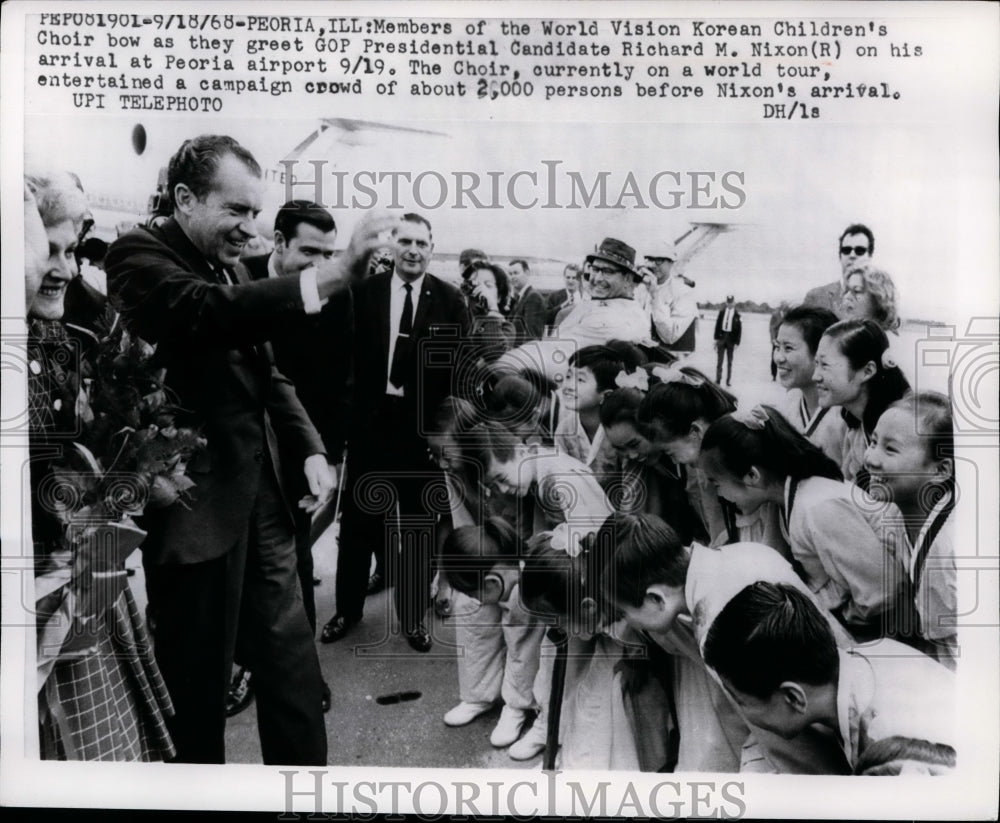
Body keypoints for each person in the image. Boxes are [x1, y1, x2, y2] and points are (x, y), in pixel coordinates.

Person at [107, 135, 388, 764]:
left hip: (265, 503)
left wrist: (311, 446)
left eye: (254, 213)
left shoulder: (229, 265)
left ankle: (304, 795)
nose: (248, 228)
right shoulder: (138, 255)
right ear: (184, 198)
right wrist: (336, 274)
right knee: (197, 689)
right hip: (197, 512)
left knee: (292, 671)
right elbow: (209, 313)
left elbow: (268, 377)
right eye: (235, 210)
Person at [28, 172, 175, 761]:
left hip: (79, 588)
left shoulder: (61, 339)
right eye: (45, 253)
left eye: (70, 249)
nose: (63, 269)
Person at [596, 513, 852, 773]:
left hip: (829, 744)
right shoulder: (745, 552)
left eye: (624, 613)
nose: (630, 623)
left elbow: (785, 726)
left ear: (656, 599)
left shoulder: (717, 626)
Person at [321, 212, 471, 653]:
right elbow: (342, 362)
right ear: (391, 245)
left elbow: (457, 373)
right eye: (405, 241)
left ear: (432, 248)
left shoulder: (448, 300)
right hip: (370, 426)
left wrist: (445, 435)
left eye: (422, 243)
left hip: (420, 433)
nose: (413, 250)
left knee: (419, 527)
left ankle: (411, 618)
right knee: (359, 525)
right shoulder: (362, 294)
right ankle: (346, 610)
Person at [242, 199, 353, 713]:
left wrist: (324, 456)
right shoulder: (236, 281)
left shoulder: (336, 293)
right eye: (309, 251)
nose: (320, 264)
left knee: (290, 563)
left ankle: (302, 680)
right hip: (236, 449)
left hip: (297, 447)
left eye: (329, 253)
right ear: (278, 242)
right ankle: (239, 668)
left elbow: (336, 382)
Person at [703, 582, 957, 775]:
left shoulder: (886, 750)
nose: (744, 713)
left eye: (741, 701)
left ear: (793, 697)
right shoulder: (873, 652)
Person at [700, 405, 907, 641]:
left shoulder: (816, 505)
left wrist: (829, 622)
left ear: (752, 476)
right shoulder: (782, 500)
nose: (720, 495)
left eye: (717, 484)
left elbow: (881, 592)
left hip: (884, 630)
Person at [437, 519, 547, 759]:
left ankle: (533, 712)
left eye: (473, 594)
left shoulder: (532, 576)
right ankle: (496, 699)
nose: (474, 600)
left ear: (490, 585)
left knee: (533, 644)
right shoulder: (505, 575)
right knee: (508, 631)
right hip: (500, 558)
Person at [865, 393, 958, 668]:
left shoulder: (950, 545)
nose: (870, 458)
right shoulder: (895, 512)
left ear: (941, 470)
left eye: (890, 449)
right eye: (873, 442)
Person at [637, 366, 739, 545]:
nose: (673, 461)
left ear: (695, 431)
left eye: (670, 453)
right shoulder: (701, 465)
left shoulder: (735, 462)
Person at [814, 319, 911, 486]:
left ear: (867, 371)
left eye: (825, 365)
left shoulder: (900, 431)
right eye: (816, 363)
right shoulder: (856, 426)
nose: (815, 376)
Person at [555, 342, 643, 479]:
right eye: (568, 376)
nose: (569, 386)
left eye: (580, 380)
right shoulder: (565, 429)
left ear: (606, 394)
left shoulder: (618, 430)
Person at [773, 306, 846, 466]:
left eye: (788, 348)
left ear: (820, 354)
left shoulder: (845, 417)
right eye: (777, 347)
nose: (778, 357)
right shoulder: (789, 403)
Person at [803, 223, 875, 312]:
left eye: (859, 250)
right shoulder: (816, 297)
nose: (852, 255)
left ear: (870, 256)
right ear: (840, 256)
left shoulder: (877, 299)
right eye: (846, 250)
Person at [643, 242, 698, 354]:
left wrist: (655, 296)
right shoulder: (639, 288)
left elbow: (670, 335)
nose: (653, 265)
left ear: (671, 263)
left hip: (670, 359)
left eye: (659, 260)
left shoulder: (684, 292)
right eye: (649, 260)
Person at [839, 265, 901, 333]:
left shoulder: (881, 341)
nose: (847, 296)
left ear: (878, 300)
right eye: (846, 291)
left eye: (857, 291)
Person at [507, 259, 546, 344]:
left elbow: (532, 336)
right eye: (510, 274)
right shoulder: (520, 297)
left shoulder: (533, 297)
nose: (513, 277)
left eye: (516, 273)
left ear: (527, 273)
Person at [713, 295, 741, 387]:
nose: (730, 304)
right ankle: (718, 380)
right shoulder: (721, 313)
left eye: (731, 302)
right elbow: (717, 326)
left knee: (729, 362)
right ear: (726, 303)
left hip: (731, 340)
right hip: (721, 337)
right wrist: (716, 339)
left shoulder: (737, 315)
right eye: (728, 302)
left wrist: (737, 342)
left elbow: (739, 330)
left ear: (734, 303)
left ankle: (728, 381)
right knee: (719, 361)